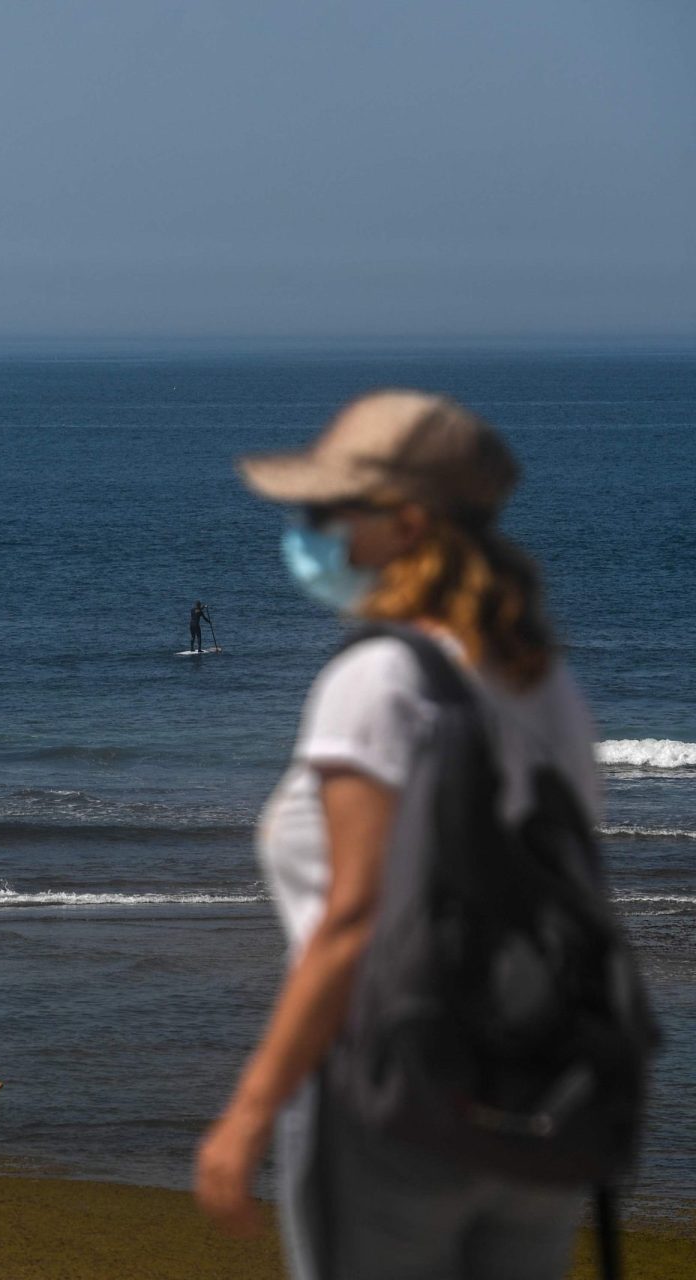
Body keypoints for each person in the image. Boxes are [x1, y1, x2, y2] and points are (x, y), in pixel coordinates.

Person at [196, 391, 601, 1279]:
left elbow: (353, 920)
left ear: (407, 522)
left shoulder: (378, 679)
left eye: (330, 510)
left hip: (387, 1095)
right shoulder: (542, 684)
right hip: (537, 1099)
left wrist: (248, 1114)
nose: (314, 532)